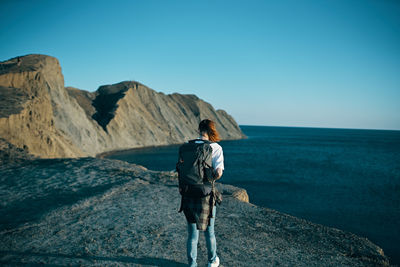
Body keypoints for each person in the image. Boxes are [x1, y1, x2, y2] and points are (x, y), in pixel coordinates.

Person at [178, 119, 224, 267]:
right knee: (209, 232)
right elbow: (218, 173)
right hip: (206, 194)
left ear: (199, 130)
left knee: (192, 235)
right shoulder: (215, 147)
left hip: (188, 193)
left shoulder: (186, 146)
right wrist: (211, 175)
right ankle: (212, 261)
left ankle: (192, 264)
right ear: (211, 131)